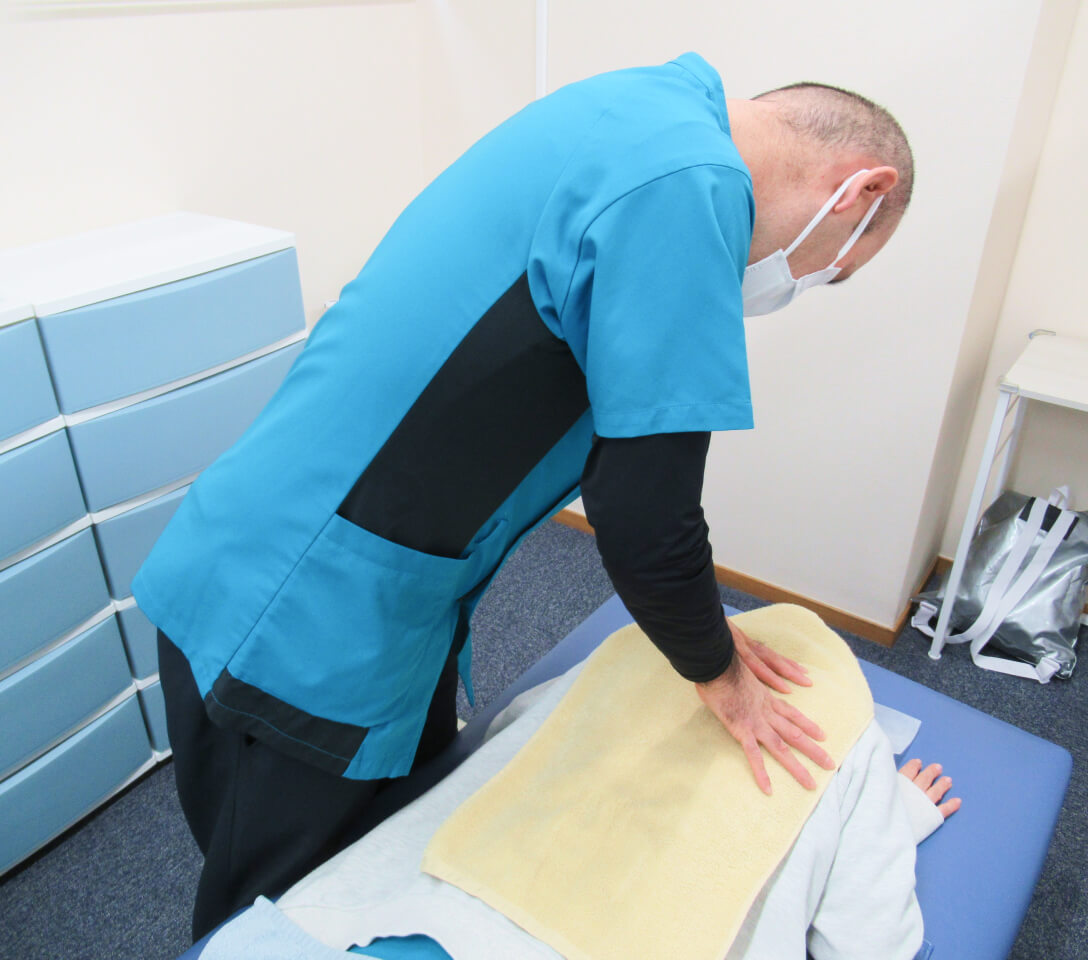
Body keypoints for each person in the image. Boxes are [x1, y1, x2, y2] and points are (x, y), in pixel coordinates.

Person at [135, 51, 914, 939]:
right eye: (835, 271)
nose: (804, 283)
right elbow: (646, 517)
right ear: (860, 191)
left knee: (393, 846)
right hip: (301, 615)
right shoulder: (689, 188)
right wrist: (722, 675)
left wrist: (699, 628)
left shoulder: (639, 110)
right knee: (284, 917)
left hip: (347, 570)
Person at [200, 661, 961, 960]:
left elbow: (506, 729)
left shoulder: (624, 659)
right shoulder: (849, 737)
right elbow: (867, 943)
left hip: (417, 913)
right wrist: (897, 817)